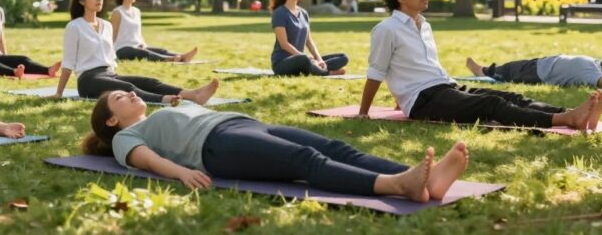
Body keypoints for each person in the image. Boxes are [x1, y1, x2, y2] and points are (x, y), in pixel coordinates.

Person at [81, 90, 470, 201]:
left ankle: (428, 179)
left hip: (244, 126)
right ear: (111, 121)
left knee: (335, 147)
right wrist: (182, 172)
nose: (131, 94)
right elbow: (147, 162)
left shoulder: (156, 113)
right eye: (119, 98)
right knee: (305, 161)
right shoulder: (127, 138)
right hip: (217, 147)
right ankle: (396, 185)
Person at [360, 0, 602, 131]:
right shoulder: (387, 29)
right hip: (424, 101)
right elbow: (377, 72)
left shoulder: (424, 25)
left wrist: (397, 99)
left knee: (510, 97)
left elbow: (410, 67)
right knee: (491, 105)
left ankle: (571, 113)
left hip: (446, 87)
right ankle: (564, 120)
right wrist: (364, 113)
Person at [53, 0, 219, 104]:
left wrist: (114, 75)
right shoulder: (74, 27)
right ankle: (167, 99)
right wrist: (59, 93)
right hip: (88, 81)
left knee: (149, 82)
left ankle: (194, 95)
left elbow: (110, 57)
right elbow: (68, 64)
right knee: (128, 88)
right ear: (82, 1)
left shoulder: (107, 25)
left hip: (109, 73)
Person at [270, 0, 348, 76]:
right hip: (282, 63)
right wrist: (304, 56)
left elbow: (309, 42)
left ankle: (315, 66)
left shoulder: (303, 13)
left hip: (302, 59)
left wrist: (319, 60)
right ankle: (327, 72)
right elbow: (284, 44)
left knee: (343, 57)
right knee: (305, 59)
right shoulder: (279, 13)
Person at [465, 54, 602, 91]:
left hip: (535, 72)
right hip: (541, 63)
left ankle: (481, 70)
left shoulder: (595, 76)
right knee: (509, 66)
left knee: (505, 70)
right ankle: (483, 69)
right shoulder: (598, 66)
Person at [111, 0, 197, 62]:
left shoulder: (137, 11)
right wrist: (110, 53)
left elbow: (138, 33)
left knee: (161, 50)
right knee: (144, 53)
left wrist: (143, 43)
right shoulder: (117, 12)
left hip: (137, 46)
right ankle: (171, 59)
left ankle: (182, 56)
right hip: (122, 49)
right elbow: (112, 35)